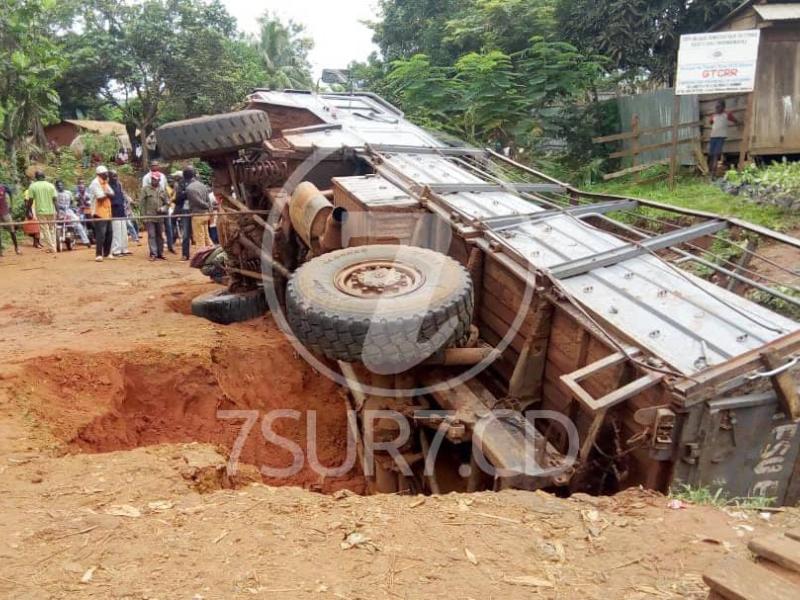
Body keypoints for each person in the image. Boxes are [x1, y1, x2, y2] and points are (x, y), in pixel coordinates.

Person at [138, 171, 169, 261]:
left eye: (155, 179)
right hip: (149, 216)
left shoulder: (162, 190)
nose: (153, 181)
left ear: (159, 180)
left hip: (159, 217)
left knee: (160, 235)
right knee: (152, 235)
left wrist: (163, 209)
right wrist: (143, 216)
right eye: (152, 179)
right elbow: (142, 204)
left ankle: (160, 253)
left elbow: (167, 203)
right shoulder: (145, 189)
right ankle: (153, 254)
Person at [183, 167, 211, 260]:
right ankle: (211, 253)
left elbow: (197, 202)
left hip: (197, 214)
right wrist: (209, 207)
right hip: (206, 214)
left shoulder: (189, 188)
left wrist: (206, 205)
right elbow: (208, 199)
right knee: (206, 235)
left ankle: (202, 258)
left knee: (199, 237)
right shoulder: (202, 185)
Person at [88, 165, 114, 262]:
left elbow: (112, 194)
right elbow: (100, 197)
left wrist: (106, 194)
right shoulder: (95, 183)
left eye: (106, 173)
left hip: (107, 211)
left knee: (109, 233)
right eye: (105, 173)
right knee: (101, 234)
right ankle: (98, 254)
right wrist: (107, 194)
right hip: (98, 211)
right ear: (99, 174)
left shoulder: (105, 182)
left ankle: (107, 253)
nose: (107, 174)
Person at [27, 171, 58, 254]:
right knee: (52, 229)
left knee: (45, 230)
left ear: (36, 177)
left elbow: (30, 200)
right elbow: (55, 200)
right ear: (44, 176)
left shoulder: (33, 186)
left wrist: (28, 210)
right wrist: (58, 211)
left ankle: (52, 248)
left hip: (41, 211)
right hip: (52, 210)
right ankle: (53, 246)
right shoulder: (51, 186)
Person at [55, 180, 90, 247]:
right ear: (56, 186)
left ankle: (86, 241)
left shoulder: (68, 193)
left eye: (61, 185)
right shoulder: (55, 193)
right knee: (55, 225)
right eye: (58, 185)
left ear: (63, 186)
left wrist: (73, 209)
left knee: (77, 223)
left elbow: (71, 202)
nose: (60, 187)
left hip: (68, 211)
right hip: (58, 211)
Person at [708, 100, 739, 179]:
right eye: (716, 107)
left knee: (715, 155)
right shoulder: (714, 115)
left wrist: (738, 124)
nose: (717, 108)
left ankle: (713, 174)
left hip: (720, 137)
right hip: (713, 137)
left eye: (718, 107)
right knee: (711, 154)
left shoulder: (727, 114)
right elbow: (710, 122)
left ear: (723, 107)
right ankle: (710, 172)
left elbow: (735, 120)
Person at [108, 170, 132, 257]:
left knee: (124, 230)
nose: (115, 177)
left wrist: (128, 200)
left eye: (116, 175)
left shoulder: (119, 184)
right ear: (110, 177)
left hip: (121, 209)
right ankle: (116, 250)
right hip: (114, 209)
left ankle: (124, 249)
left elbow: (123, 194)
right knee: (117, 231)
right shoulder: (108, 186)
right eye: (113, 176)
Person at [0, 184, 21, 256]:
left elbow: (10, 193)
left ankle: (17, 248)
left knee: (12, 230)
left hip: (5, 212)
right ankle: (1, 251)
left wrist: (11, 205)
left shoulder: (3, 187)